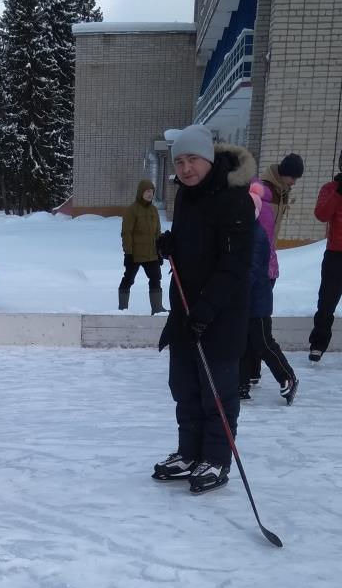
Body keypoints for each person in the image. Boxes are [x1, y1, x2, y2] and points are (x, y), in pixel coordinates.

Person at [152, 124, 255, 494]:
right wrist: (170, 244)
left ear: (209, 159)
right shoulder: (185, 196)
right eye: (179, 161)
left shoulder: (234, 199)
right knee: (184, 386)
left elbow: (236, 264)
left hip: (221, 314)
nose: (185, 168)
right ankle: (190, 452)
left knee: (216, 391)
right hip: (186, 308)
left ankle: (215, 458)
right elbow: (192, 244)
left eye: (192, 159)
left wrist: (207, 310)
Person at [239, 189, 298, 404]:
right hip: (246, 302)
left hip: (257, 303)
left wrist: (235, 291)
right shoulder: (244, 233)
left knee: (263, 342)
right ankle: (241, 383)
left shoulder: (255, 235)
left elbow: (251, 272)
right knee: (243, 343)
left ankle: (288, 377)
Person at [308, 150, 342, 363]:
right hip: (335, 255)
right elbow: (321, 214)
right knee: (327, 302)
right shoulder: (330, 188)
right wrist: (339, 192)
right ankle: (318, 345)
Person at [118, 179, 166, 314]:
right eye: (147, 191)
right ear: (141, 192)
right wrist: (128, 253)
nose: (150, 194)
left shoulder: (154, 210)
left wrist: (159, 252)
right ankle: (122, 309)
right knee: (128, 279)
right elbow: (126, 233)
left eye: (152, 191)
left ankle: (157, 309)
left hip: (151, 254)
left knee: (156, 278)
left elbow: (157, 232)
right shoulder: (131, 210)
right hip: (135, 254)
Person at [260, 152, 304, 245]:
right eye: (293, 178)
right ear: (284, 172)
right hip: (256, 248)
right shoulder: (263, 189)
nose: (294, 182)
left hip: (270, 246)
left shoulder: (283, 192)